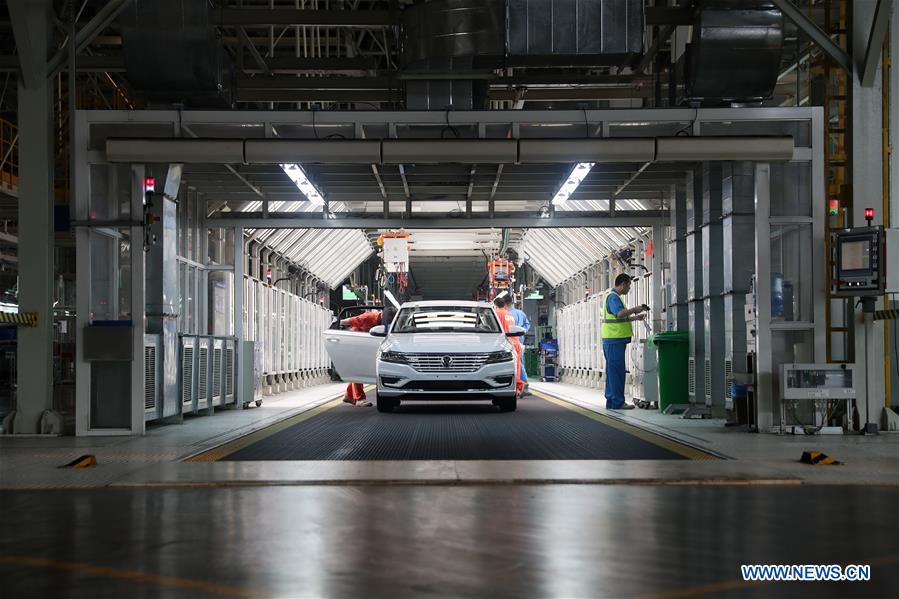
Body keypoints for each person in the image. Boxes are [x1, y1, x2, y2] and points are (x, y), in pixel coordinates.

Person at [601, 274, 649, 410]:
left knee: (612, 372)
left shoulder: (612, 297)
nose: (629, 288)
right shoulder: (613, 297)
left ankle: (611, 402)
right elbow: (620, 314)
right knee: (617, 372)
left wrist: (635, 318)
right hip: (614, 339)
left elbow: (618, 318)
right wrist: (635, 310)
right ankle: (618, 402)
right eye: (628, 285)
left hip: (612, 340)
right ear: (622, 284)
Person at [340, 306, 395, 407]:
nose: (390, 322)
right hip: (355, 344)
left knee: (360, 369)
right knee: (358, 370)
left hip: (365, 346)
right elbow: (349, 321)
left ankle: (349, 396)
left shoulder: (383, 322)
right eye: (390, 320)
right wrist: (337, 323)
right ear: (385, 316)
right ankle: (360, 399)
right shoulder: (368, 317)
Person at [494, 295, 523, 395]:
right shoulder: (509, 314)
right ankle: (518, 388)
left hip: (507, 344)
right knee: (516, 368)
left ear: (496, 305)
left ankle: (519, 386)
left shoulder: (497, 313)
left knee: (508, 368)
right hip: (516, 342)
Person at [504, 295, 530, 393]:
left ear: (505, 304)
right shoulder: (521, 313)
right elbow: (527, 325)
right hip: (520, 341)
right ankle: (524, 386)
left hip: (509, 342)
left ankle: (519, 386)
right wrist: (522, 333)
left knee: (513, 365)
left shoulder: (506, 314)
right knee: (520, 364)